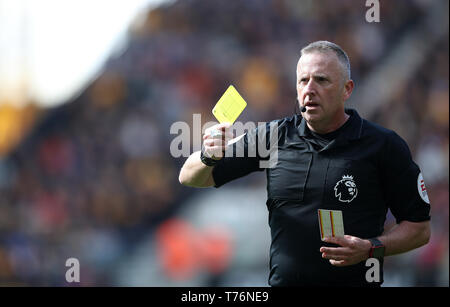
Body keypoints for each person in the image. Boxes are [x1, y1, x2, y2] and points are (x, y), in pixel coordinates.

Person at [178, 41, 431, 287]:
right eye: (303, 81)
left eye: (321, 80)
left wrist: (370, 248)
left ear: (347, 89)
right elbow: (190, 177)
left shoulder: (383, 146)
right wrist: (208, 156)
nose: (310, 89)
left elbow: (419, 229)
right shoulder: (273, 137)